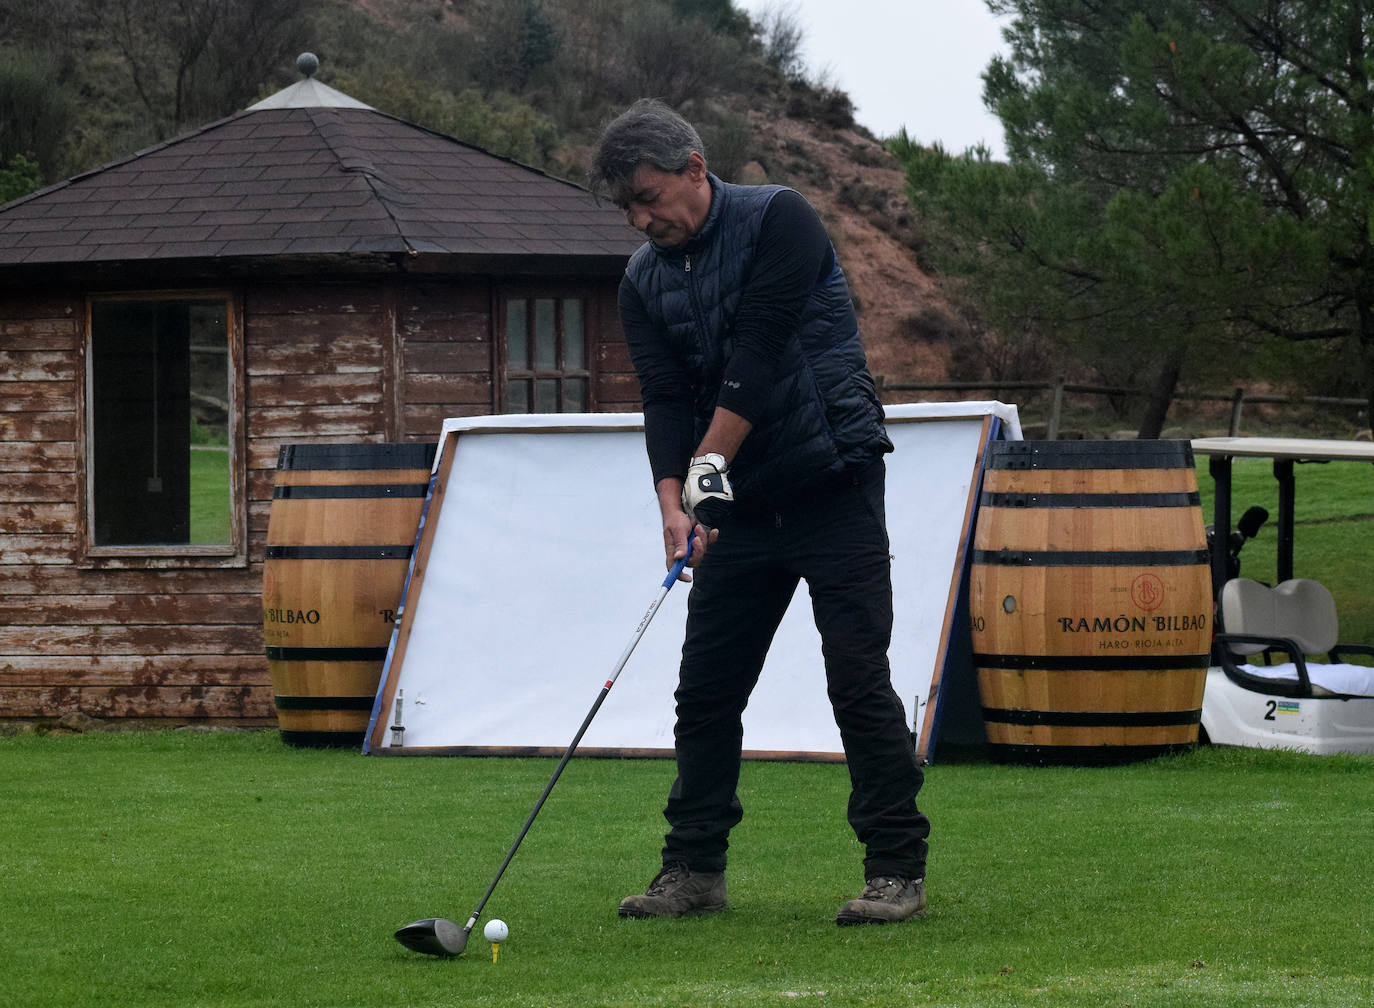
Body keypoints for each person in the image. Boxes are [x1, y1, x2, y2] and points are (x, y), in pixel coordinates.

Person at [589, 98, 931, 926]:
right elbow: (666, 397)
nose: (641, 219)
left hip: (833, 481)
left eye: (649, 198)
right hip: (739, 507)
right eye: (627, 208)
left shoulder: (782, 218)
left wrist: (708, 466)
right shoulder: (642, 278)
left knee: (856, 678)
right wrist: (674, 505)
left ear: (695, 170)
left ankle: (895, 871)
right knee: (705, 689)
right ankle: (694, 870)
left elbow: (761, 352)